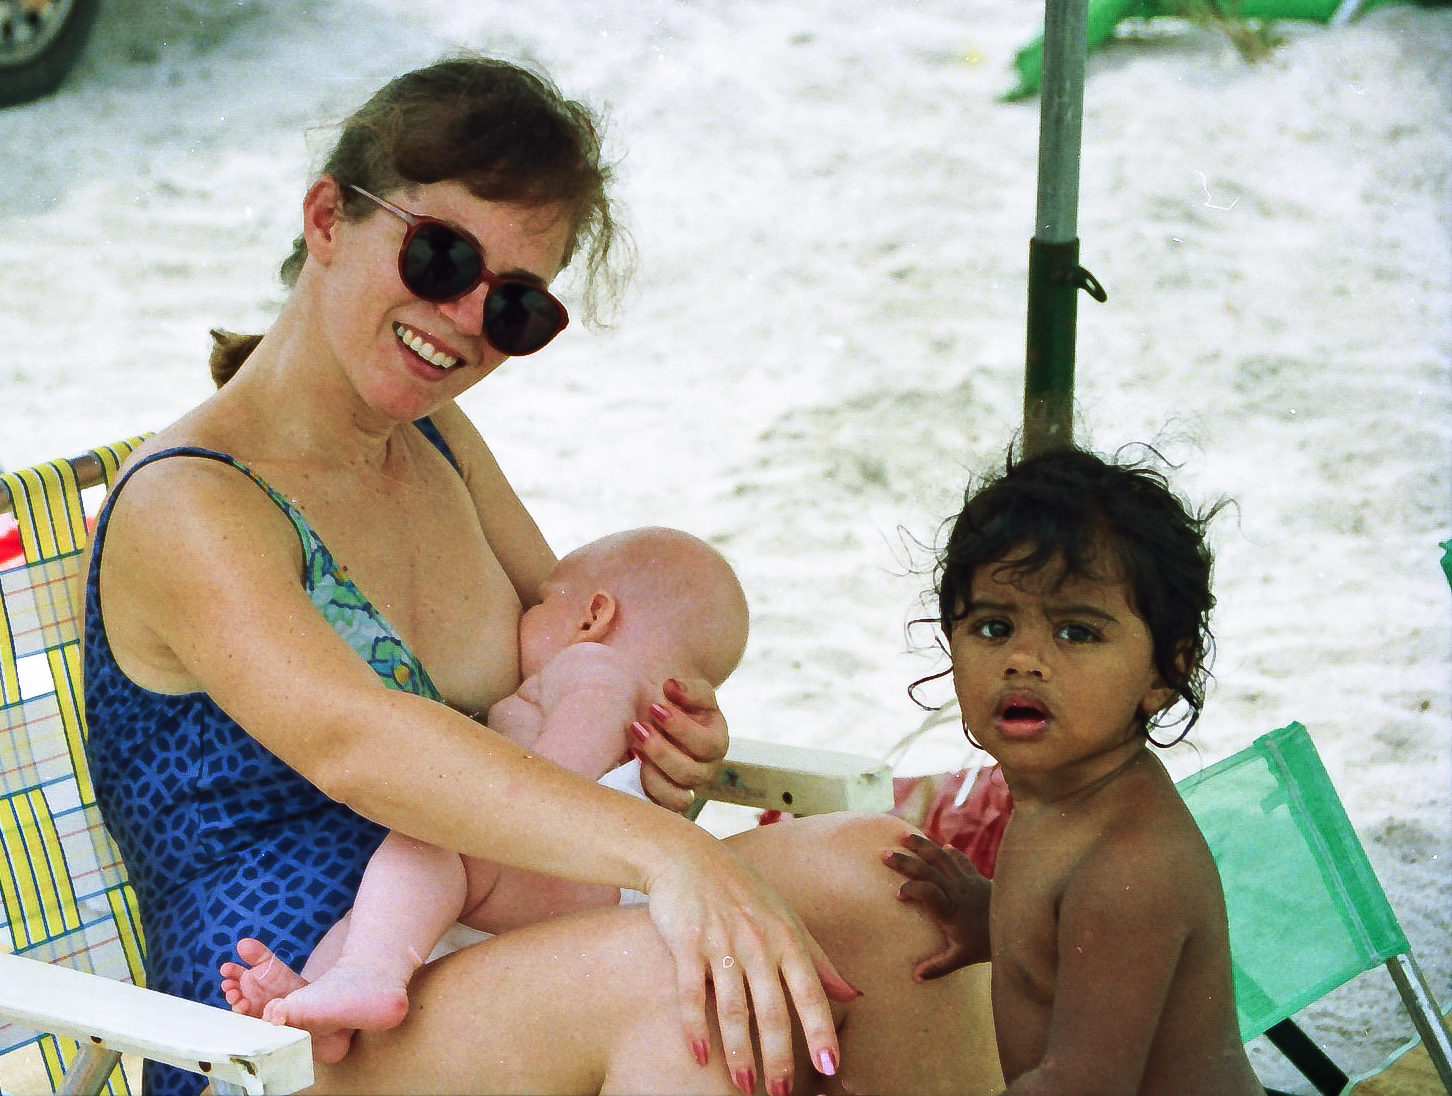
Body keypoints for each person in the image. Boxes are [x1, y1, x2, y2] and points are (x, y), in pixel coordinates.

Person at [82, 55, 999, 1096]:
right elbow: (360, 747)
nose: (466, 319)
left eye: (516, 306)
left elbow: (575, 657)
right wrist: (666, 854)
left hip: (494, 934)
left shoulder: (434, 441)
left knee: (889, 883)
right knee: (678, 987)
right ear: (328, 219)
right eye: (441, 257)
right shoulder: (192, 502)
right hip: (285, 1018)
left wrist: (660, 756)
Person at [220, 526, 752, 1061]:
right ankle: (325, 1001)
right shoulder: (641, 699)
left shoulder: (593, 665)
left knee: (426, 840)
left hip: (566, 857)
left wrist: (484, 808)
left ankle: (364, 976)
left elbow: (561, 776)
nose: (522, 617)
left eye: (539, 603)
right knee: (380, 913)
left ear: (593, 616)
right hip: (591, 883)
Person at [887, 447, 1265, 1096]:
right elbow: (1065, 954)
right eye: (994, 626)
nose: (1024, 659)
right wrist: (989, 918)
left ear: (1165, 672)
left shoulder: (1129, 867)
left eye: (1077, 633)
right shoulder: (1061, 798)